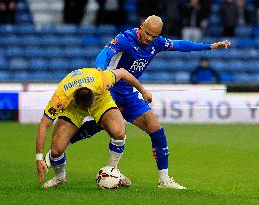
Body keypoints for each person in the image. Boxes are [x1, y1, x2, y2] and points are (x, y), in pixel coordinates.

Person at [60, 15, 230, 189]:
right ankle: (58, 152)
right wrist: (99, 70)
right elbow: (106, 53)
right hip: (110, 92)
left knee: (156, 129)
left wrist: (209, 46)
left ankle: (164, 180)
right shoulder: (125, 38)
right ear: (141, 26)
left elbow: (180, 45)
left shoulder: (157, 43)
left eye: (154, 36)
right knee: (99, 127)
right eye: (147, 34)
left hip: (128, 93)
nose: (149, 39)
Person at [36, 67, 152, 189]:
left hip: (100, 102)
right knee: (56, 151)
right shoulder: (61, 98)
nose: (88, 111)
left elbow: (123, 72)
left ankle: (112, 171)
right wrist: (39, 157)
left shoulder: (101, 80)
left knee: (118, 132)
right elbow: (43, 125)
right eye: (86, 109)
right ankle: (60, 178)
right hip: (72, 110)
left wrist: (143, 91)